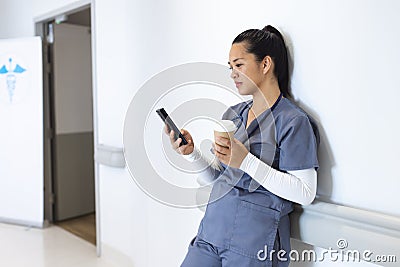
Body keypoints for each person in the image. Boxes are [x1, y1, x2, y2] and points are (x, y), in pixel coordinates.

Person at [164, 25, 319, 267]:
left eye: (239, 65)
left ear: (265, 64)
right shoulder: (233, 115)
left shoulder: (293, 121)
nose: (233, 74)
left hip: (254, 244)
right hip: (212, 232)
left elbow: (305, 193)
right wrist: (192, 153)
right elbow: (220, 178)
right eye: (230, 67)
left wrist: (246, 161)